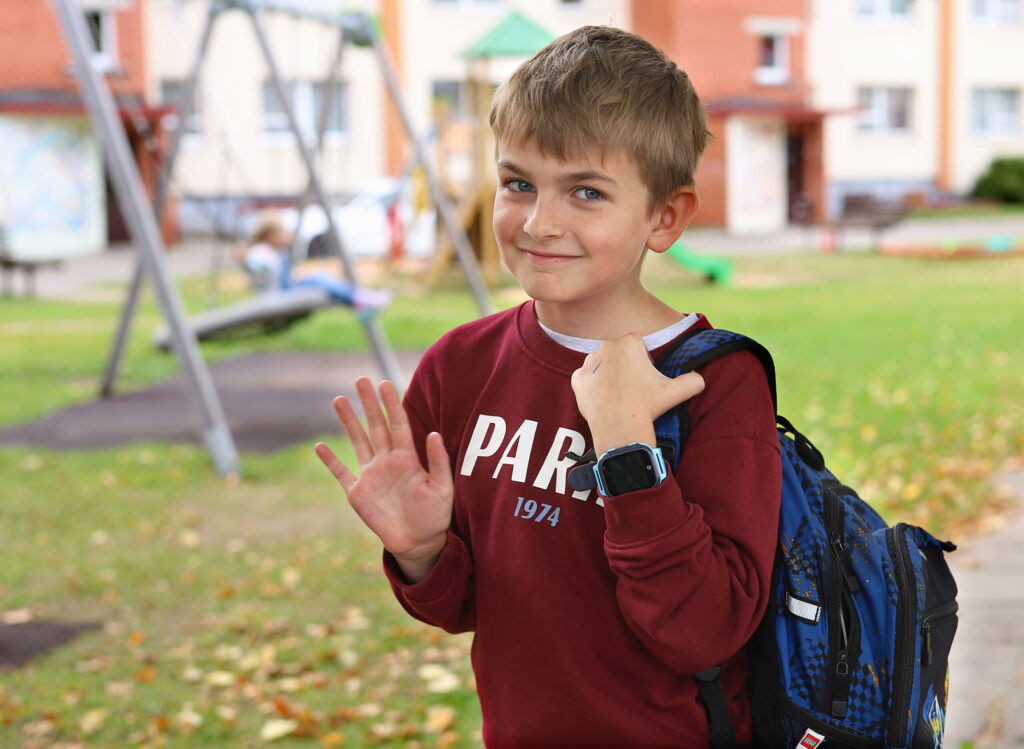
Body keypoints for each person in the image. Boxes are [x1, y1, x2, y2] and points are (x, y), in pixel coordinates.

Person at [315, 25, 781, 748]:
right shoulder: (459, 365)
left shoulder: (712, 379)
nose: (538, 221)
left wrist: (629, 454)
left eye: (586, 192)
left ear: (665, 217)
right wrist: (424, 551)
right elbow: (470, 603)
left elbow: (704, 631)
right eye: (518, 183)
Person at [241, 214, 392, 316]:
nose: (287, 236)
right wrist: (247, 263)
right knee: (319, 279)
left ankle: (359, 301)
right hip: (277, 295)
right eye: (283, 233)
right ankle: (360, 299)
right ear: (271, 236)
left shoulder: (275, 252)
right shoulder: (260, 251)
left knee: (319, 280)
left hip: (282, 291)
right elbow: (255, 264)